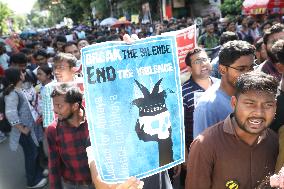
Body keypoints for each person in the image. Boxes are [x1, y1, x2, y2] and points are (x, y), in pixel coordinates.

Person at [47, 83, 165, 189]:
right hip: (72, 185)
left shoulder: (99, 122)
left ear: (75, 106)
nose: (55, 110)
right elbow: (54, 165)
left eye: (59, 106)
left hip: (103, 184)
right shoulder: (53, 130)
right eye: (54, 105)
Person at [186, 71, 279, 189]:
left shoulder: (274, 142)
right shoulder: (205, 145)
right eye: (250, 104)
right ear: (234, 103)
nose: (259, 112)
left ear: (275, 106)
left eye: (267, 105)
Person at [193, 40, 255, 138]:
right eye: (241, 69)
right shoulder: (207, 107)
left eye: (251, 68)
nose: (249, 74)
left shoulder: (252, 93)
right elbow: (203, 150)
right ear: (222, 70)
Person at [4, 68, 47, 188]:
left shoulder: (19, 89)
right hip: (24, 131)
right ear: (20, 76)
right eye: (21, 73)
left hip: (31, 127)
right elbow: (10, 114)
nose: (24, 74)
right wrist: (22, 128)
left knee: (35, 151)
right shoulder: (13, 93)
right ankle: (32, 181)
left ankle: (38, 173)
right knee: (31, 154)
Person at [182, 48, 219, 150]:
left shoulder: (221, 85)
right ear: (189, 68)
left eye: (205, 59)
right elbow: (179, 127)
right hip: (198, 150)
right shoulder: (183, 92)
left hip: (223, 147)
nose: (203, 64)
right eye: (197, 61)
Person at [41, 52, 81, 128]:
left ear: (73, 69)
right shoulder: (49, 88)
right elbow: (48, 121)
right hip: (62, 134)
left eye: (61, 68)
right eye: (55, 67)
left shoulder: (83, 84)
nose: (56, 72)